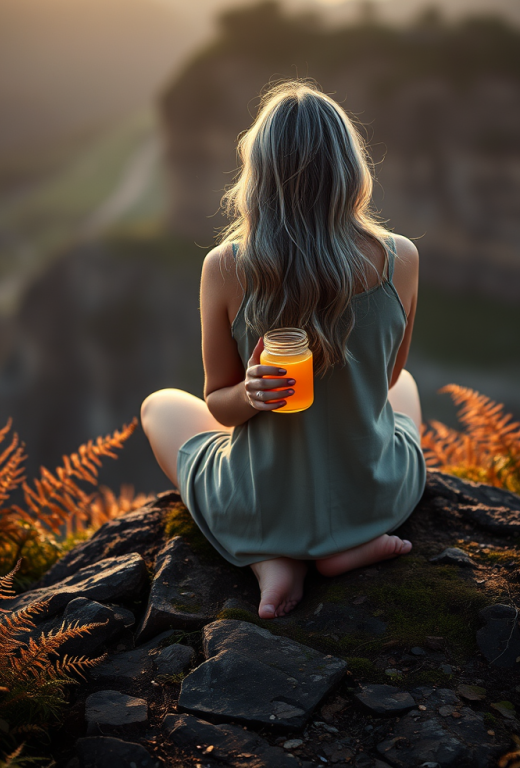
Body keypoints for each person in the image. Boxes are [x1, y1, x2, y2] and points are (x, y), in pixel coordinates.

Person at [141, 79, 427, 620]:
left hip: (260, 507)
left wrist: (251, 396)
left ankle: (269, 560)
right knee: (408, 390)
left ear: (259, 175)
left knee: (160, 405)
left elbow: (219, 403)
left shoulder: (225, 267)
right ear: (350, 169)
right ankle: (345, 547)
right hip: (373, 499)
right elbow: (388, 381)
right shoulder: (399, 258)